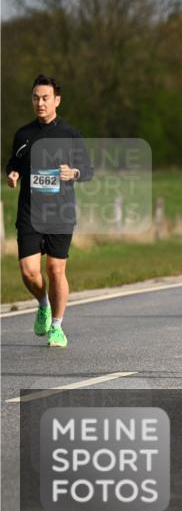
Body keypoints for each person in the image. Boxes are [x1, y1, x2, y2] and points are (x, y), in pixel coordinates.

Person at [5, 74, 93, 348]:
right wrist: (12, 175)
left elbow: (87, 170)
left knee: (55, 269)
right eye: (35, 98)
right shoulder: (23, 134)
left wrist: (73, 172)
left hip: (60, 212)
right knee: (29, 271)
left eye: (45, 98)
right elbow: (12, 163)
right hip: (30, 211)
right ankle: (43, 303)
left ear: (57, 100)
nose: (40, 103)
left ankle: (57, 326)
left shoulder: (70, 134)